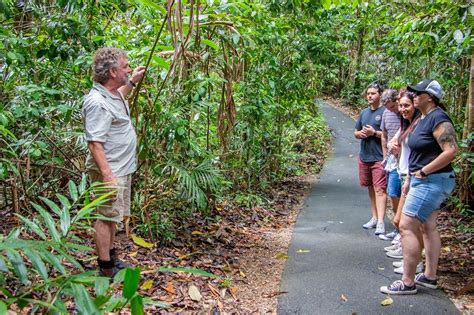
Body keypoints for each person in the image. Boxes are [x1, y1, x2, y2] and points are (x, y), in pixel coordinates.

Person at [381, 79, 458, 295]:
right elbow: (416, 152)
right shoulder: (423, 118)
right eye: (413, 92)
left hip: (432, 180)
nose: (413, 95)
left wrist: (424, 172)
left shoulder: (438, 118)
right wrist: (409, 179)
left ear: (430, 97)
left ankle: (407, 282)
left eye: (418, 93)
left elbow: (451, 150)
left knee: (406, 226)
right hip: (422, 180)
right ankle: (429, 276)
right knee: (428, 226)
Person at [83, 47, 145, 277]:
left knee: (112, 217)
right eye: (125, 66)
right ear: (112, 71)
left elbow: (121, 95)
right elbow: (95, 143)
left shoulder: (112, 94)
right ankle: (105, 268)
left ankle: (111, 256)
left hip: (120, 167)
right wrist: (108, 176)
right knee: (105, 217)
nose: (128, 68)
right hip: (110, 170)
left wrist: (133, 81)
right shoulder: (97, 102)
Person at [354, 82, 387, 235]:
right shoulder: (364, 113)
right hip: (365, 155)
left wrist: (374, 133)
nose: (369, 96)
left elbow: (390, 135)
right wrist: (360, 134)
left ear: (380, 94)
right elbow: (355, 131)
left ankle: (381, 222)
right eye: (368, 93)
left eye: (373, 93)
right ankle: (374, 217)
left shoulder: (386, 112)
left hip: (379, 157)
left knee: (380, 189)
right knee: (370, 188)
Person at [379, 89, 401, 241]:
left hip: (403, 160)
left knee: (398, 193)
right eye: (387, 108)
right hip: (391, 160)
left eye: (392, 107)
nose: (391, 110)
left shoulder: (406, 114)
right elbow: (384, 135)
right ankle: (398, 230)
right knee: (393, 194)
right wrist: (385, 155)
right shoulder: (387, 113)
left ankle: (401, 230)